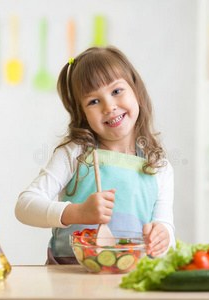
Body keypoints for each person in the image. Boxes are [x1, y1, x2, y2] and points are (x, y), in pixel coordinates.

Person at [15, 46, 175, 265]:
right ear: (82, 113)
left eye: (117, 91)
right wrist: (78, 212)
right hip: (69, 279)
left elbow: (166, 230)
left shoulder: (159, 166)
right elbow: (25, 206)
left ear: (136, 92)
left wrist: (161, 237)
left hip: (130, 279)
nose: (109, 107)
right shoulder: (74, 154)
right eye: (93, 101)